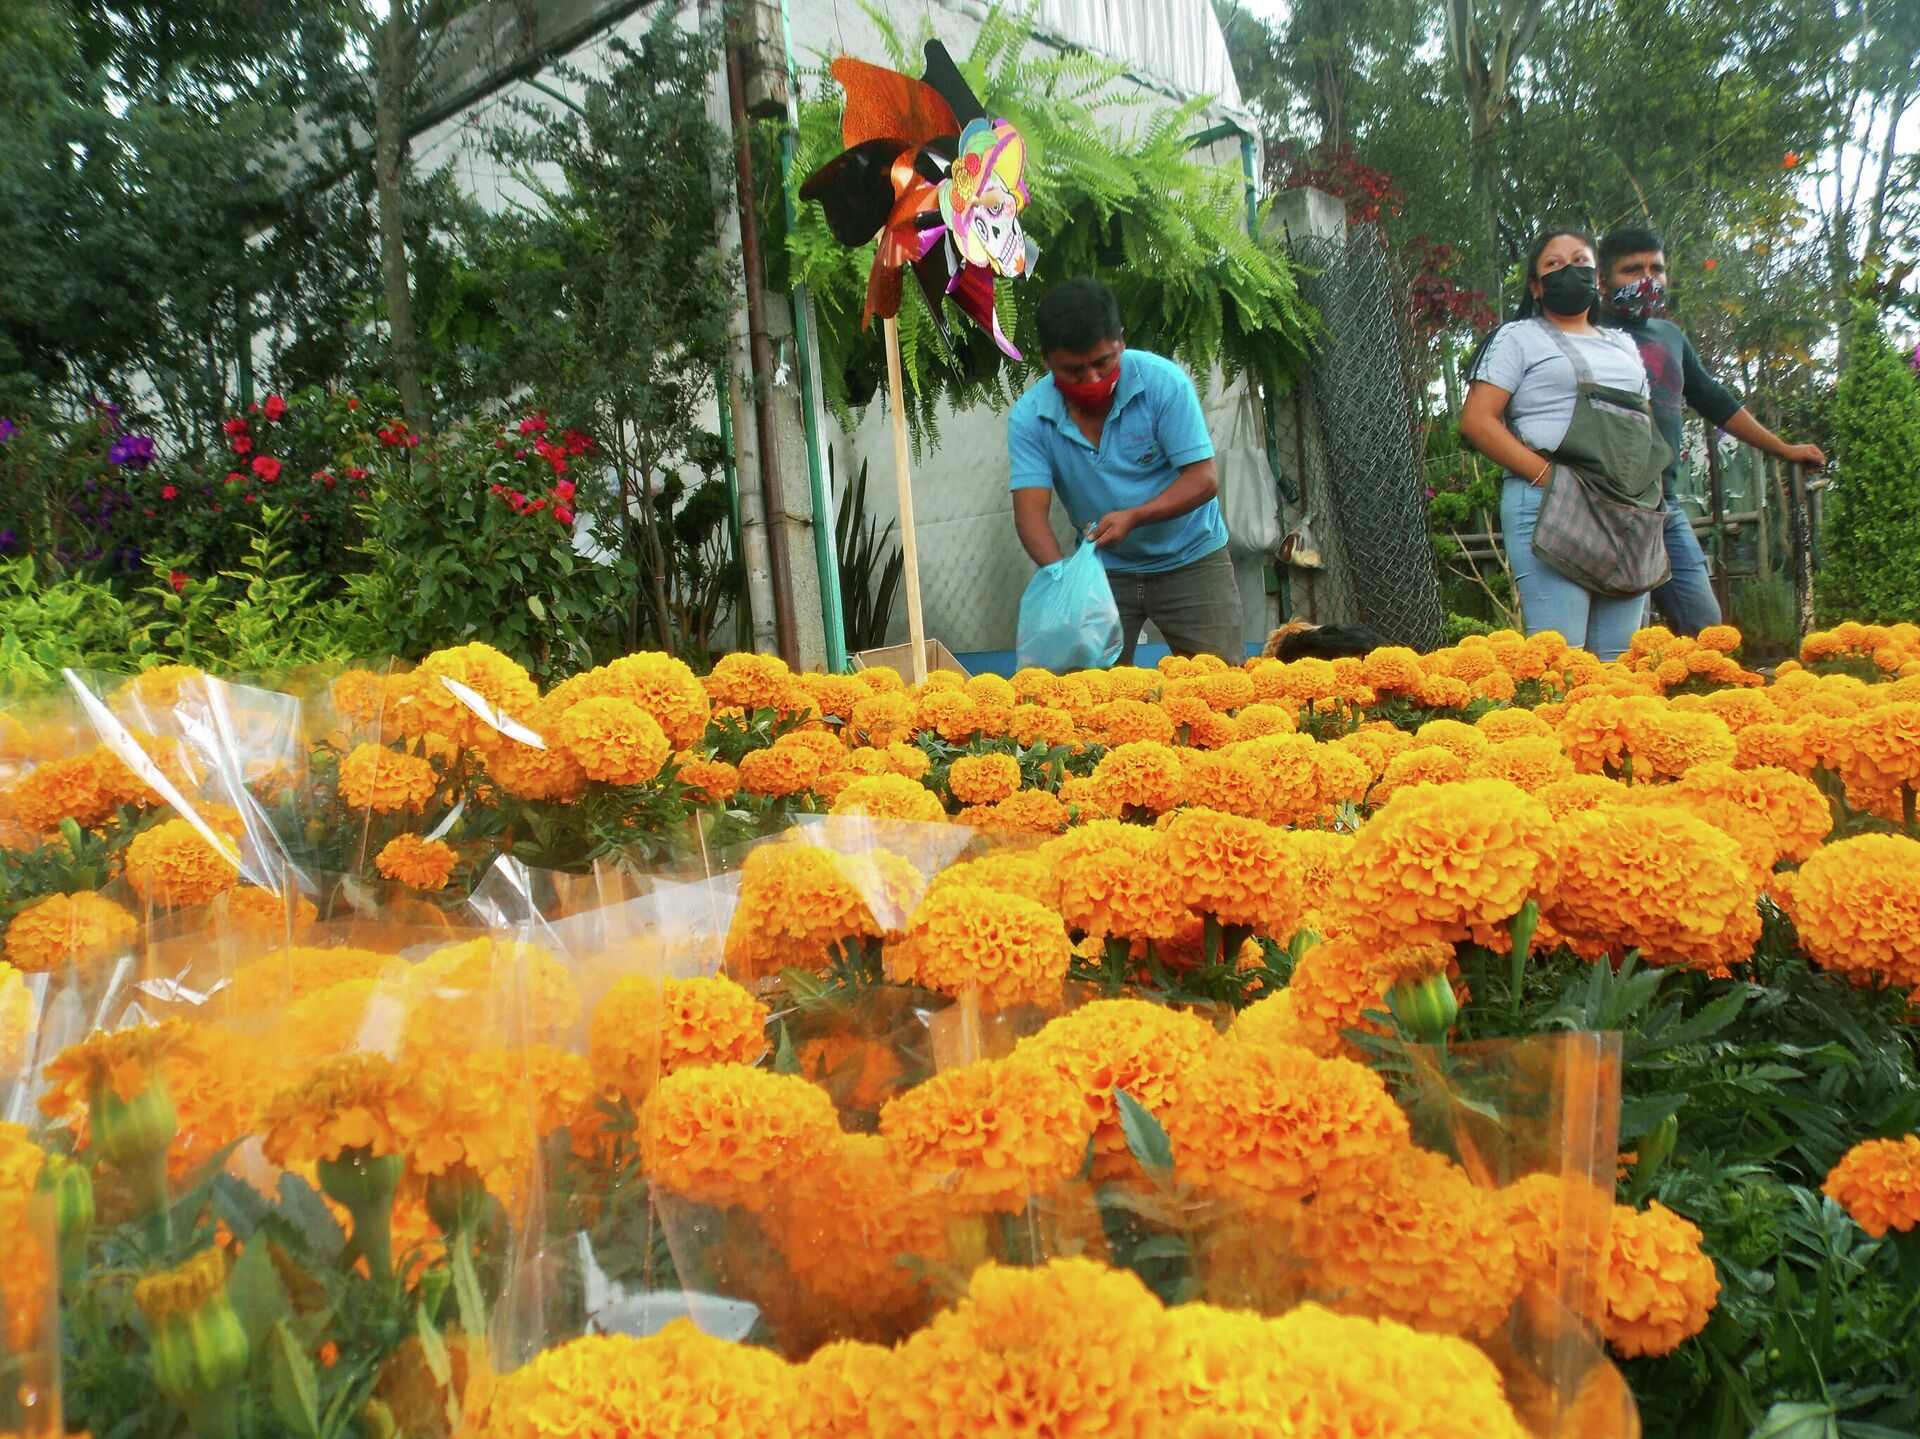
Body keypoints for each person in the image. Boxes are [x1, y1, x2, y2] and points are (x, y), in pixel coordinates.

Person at [1597, 224, 1828, 636]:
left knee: (1706, 632)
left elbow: (1716, 402)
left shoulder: (1670, 336)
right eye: (1632, 270)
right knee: (1608, 643)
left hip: (1662, 504)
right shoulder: (1583, 331)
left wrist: (1783, 449)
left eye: (1656, 269)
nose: (1647, 280)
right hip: (1600, 506)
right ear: (1602, 280)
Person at [1007, 276, 1244, 665]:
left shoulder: (1164, 384)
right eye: (1073, 370)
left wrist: (1135, 516)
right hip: (1101, 572)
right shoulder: (1030, 418)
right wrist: (1064, 581)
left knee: (1222, 687)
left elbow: (1203, 480)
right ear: (1045, 358)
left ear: (1120, 339)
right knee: (1091, 701)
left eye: (1103, 362)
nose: (1092, 380)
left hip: (1191, 559)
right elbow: (1030, 514)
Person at [1459, 229, 1668, 662]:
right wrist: (1546, 478)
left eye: (1579, 260)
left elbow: (1639, 425)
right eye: (1553, 265)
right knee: (1560, 661)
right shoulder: (1518, 338)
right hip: (1552, 500)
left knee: (1617, 662)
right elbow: (1478, 420)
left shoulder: (1624, 345)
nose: (1569, 270)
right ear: (1536, 286)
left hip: (1625, 510)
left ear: (1597, 277)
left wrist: (1647, 496)